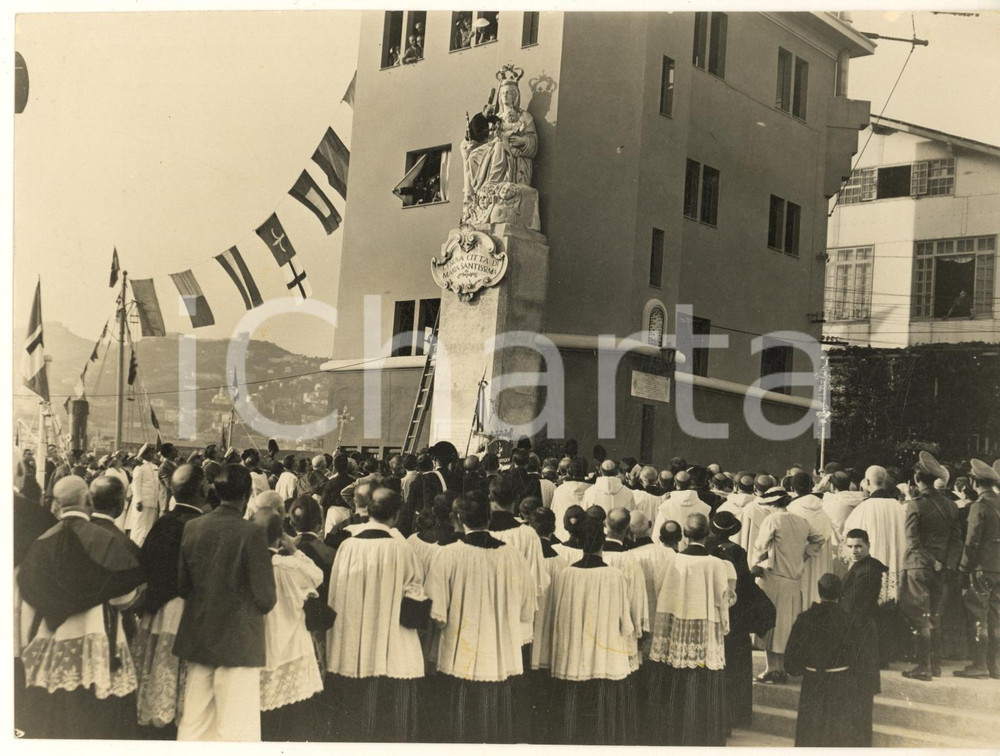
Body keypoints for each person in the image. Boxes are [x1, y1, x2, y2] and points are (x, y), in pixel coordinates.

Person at [17, 476, 146, 739]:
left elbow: (30, 593)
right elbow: (125, 594)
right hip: (99, 641)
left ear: (55, 505)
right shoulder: (104, 539)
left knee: (59, 714)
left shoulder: (42, 542)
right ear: (87, 500)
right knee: (98, 715)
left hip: (52, 639)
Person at [173, 464, 277, 741]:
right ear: (246, 495)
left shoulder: (192, 527)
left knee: (195, 727)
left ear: (215, 492)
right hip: (238, 642)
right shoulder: (252, 534)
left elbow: (183, 587)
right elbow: (266, 598)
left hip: (199, 637)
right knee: (236, 730)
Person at [424, 492, 535, 743]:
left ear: (460, 518)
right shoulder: (513, 556)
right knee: (495, 722)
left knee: (462, 721)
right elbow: (527, 607)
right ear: (489, 517)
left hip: (460, 649)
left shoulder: (448, 555)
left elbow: (437, 612)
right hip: (500, 650)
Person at [326, 488, 426, 741]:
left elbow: (335, 593)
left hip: (353, 638)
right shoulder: (402, 549)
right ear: (395, 516)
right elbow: (415, 593)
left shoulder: (347, 545)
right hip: (392, 638)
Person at [541, 517, 639, 744]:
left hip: (574, 655)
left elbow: (560, 615)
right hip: (605, 657)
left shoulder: (567, 574)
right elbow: (625, 622)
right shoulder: (614, 576)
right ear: (602, 542)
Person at [131, 464, 209, 737]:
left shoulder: (162, 523)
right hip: (187, 614)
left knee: (158, 678)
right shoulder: (201, 526)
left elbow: (143, 567)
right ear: (202, 489)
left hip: (158, 611)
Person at [647, 513, 735, 746]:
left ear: (685, 534)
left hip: (676, 630)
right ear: (707, 534)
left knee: (677, 679)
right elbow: (724, 599)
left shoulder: (671, 560)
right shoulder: (717, 564)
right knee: (702, 679)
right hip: (704, 634)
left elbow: (659, 590)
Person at [784, 573, 880, 747]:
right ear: (840, 593)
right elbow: (859, 659)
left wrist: (805, 668)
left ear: (819, 591)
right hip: (840, 685)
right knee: (835, 733)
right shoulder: (851, 621)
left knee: (811, 733)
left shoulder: (804, 619)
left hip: (812, 684)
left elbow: (790, 662)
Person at [258, 511, 324, 741]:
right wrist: (294, 549)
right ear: (280, 537)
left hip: (261, 648)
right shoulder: (288, 566)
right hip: (291, 649)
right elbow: (317, 576)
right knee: (293, 724)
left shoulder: (250, 563)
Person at [751, 486, 826, 682]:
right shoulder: (801, 521)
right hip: (794, 580)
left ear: (772, 504)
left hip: (774, 578)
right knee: (786, 625)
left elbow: (760, 547)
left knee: (772, 624)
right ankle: (780, 668)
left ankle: (771, 669)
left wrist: (756, 563)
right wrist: (803, 555)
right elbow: (819, 539)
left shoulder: (772, 520)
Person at [899, 453, 962, 681]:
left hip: (919, 567)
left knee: (919, 615)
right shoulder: (951, 506)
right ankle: (934, 665)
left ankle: (923, 666)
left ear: (917, 478)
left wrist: (930, 562)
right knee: (936, 614)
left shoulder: (915, 505)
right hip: (943, 567)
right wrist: (947, 564)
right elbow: (957, 541)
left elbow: (913, 541)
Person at [707, 511, 757, 730]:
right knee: (736, 663)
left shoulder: (706, 547)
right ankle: (737, 715)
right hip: (734, 614)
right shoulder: (737, 551)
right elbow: (744, 585)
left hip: (710, 611)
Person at [954, 458, 1000, 678]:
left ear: (973, 482)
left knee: (978, 615)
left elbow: (971, 542)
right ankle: (996, 665)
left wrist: (963, 568)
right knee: (996, 616)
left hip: (981, 568)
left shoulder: (979, 506)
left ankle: (980, 665)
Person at [843, 465, 907, 605]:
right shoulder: (900, 509)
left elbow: (848, 543)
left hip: (867, 576)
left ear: (866, 482)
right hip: (896, 569)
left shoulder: (862, 509)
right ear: (885, 481)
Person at [787, 471, 837, 607]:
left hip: (800, 564)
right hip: (820, 565)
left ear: (792, 489)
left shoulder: (791, 511)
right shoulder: (823, 510)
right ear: (812, 487)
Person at [653, 470, 711, 550]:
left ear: (675, 483)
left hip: (671, 553)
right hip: (695, 553)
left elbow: (657, 536)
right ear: (691, 483)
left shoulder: (666, 506)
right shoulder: (704, 507)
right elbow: (706, 535)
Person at [125, 443, 161, 547]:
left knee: (149, 527)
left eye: (152, 452)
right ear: (144, 455)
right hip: (143, 502)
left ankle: (145, 547)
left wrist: (157, 501)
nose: (152, 455)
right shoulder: (139, 468)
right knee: (139, 525)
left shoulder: (155, 467)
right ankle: (135, 546)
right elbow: (135, 486)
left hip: (152, 502)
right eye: (150, 453)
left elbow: (156, 486)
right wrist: (138, 501)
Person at [550, 457, 592, 541]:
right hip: (587, 536)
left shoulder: (560, 490)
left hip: (562, 535)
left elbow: (554, 514)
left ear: (569, 472)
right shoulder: (592, 490)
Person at [823, 471, 865, 537]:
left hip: (835, 542)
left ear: (833, 486)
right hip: (854, 540)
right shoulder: (861, 499)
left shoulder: (828, 501)